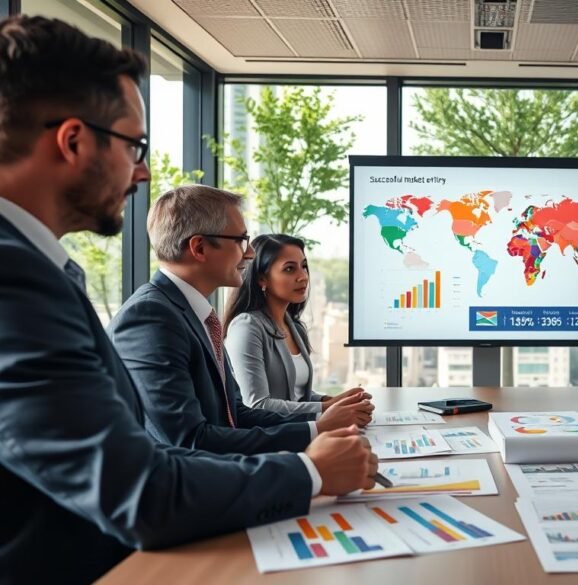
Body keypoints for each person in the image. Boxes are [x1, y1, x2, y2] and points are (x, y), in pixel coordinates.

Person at [0, 16, 376, 584]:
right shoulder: (15, 278)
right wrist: (307, 471)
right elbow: (140, 488)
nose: (143, 170)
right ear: (73, 140)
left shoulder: (38, 270)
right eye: (134, 145)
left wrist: (311, 445)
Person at [109, 185, 375, 455]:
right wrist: (316, 431)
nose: (249, 254)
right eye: (241, 241)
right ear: (199, 248)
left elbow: (236, 415)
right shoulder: (151, 318)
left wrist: (320, 422)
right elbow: (191, 442)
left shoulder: (195, 314)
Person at [224, 234, 368, 419]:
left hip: (302, 430)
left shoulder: (294, 326)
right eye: (290, 269)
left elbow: (297, 396)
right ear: (262, 279)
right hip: (271, 439)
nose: (303, 277)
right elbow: (257, 404)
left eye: (304, 267)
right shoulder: (247, 327)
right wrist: (327, 408)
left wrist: (335, 401)